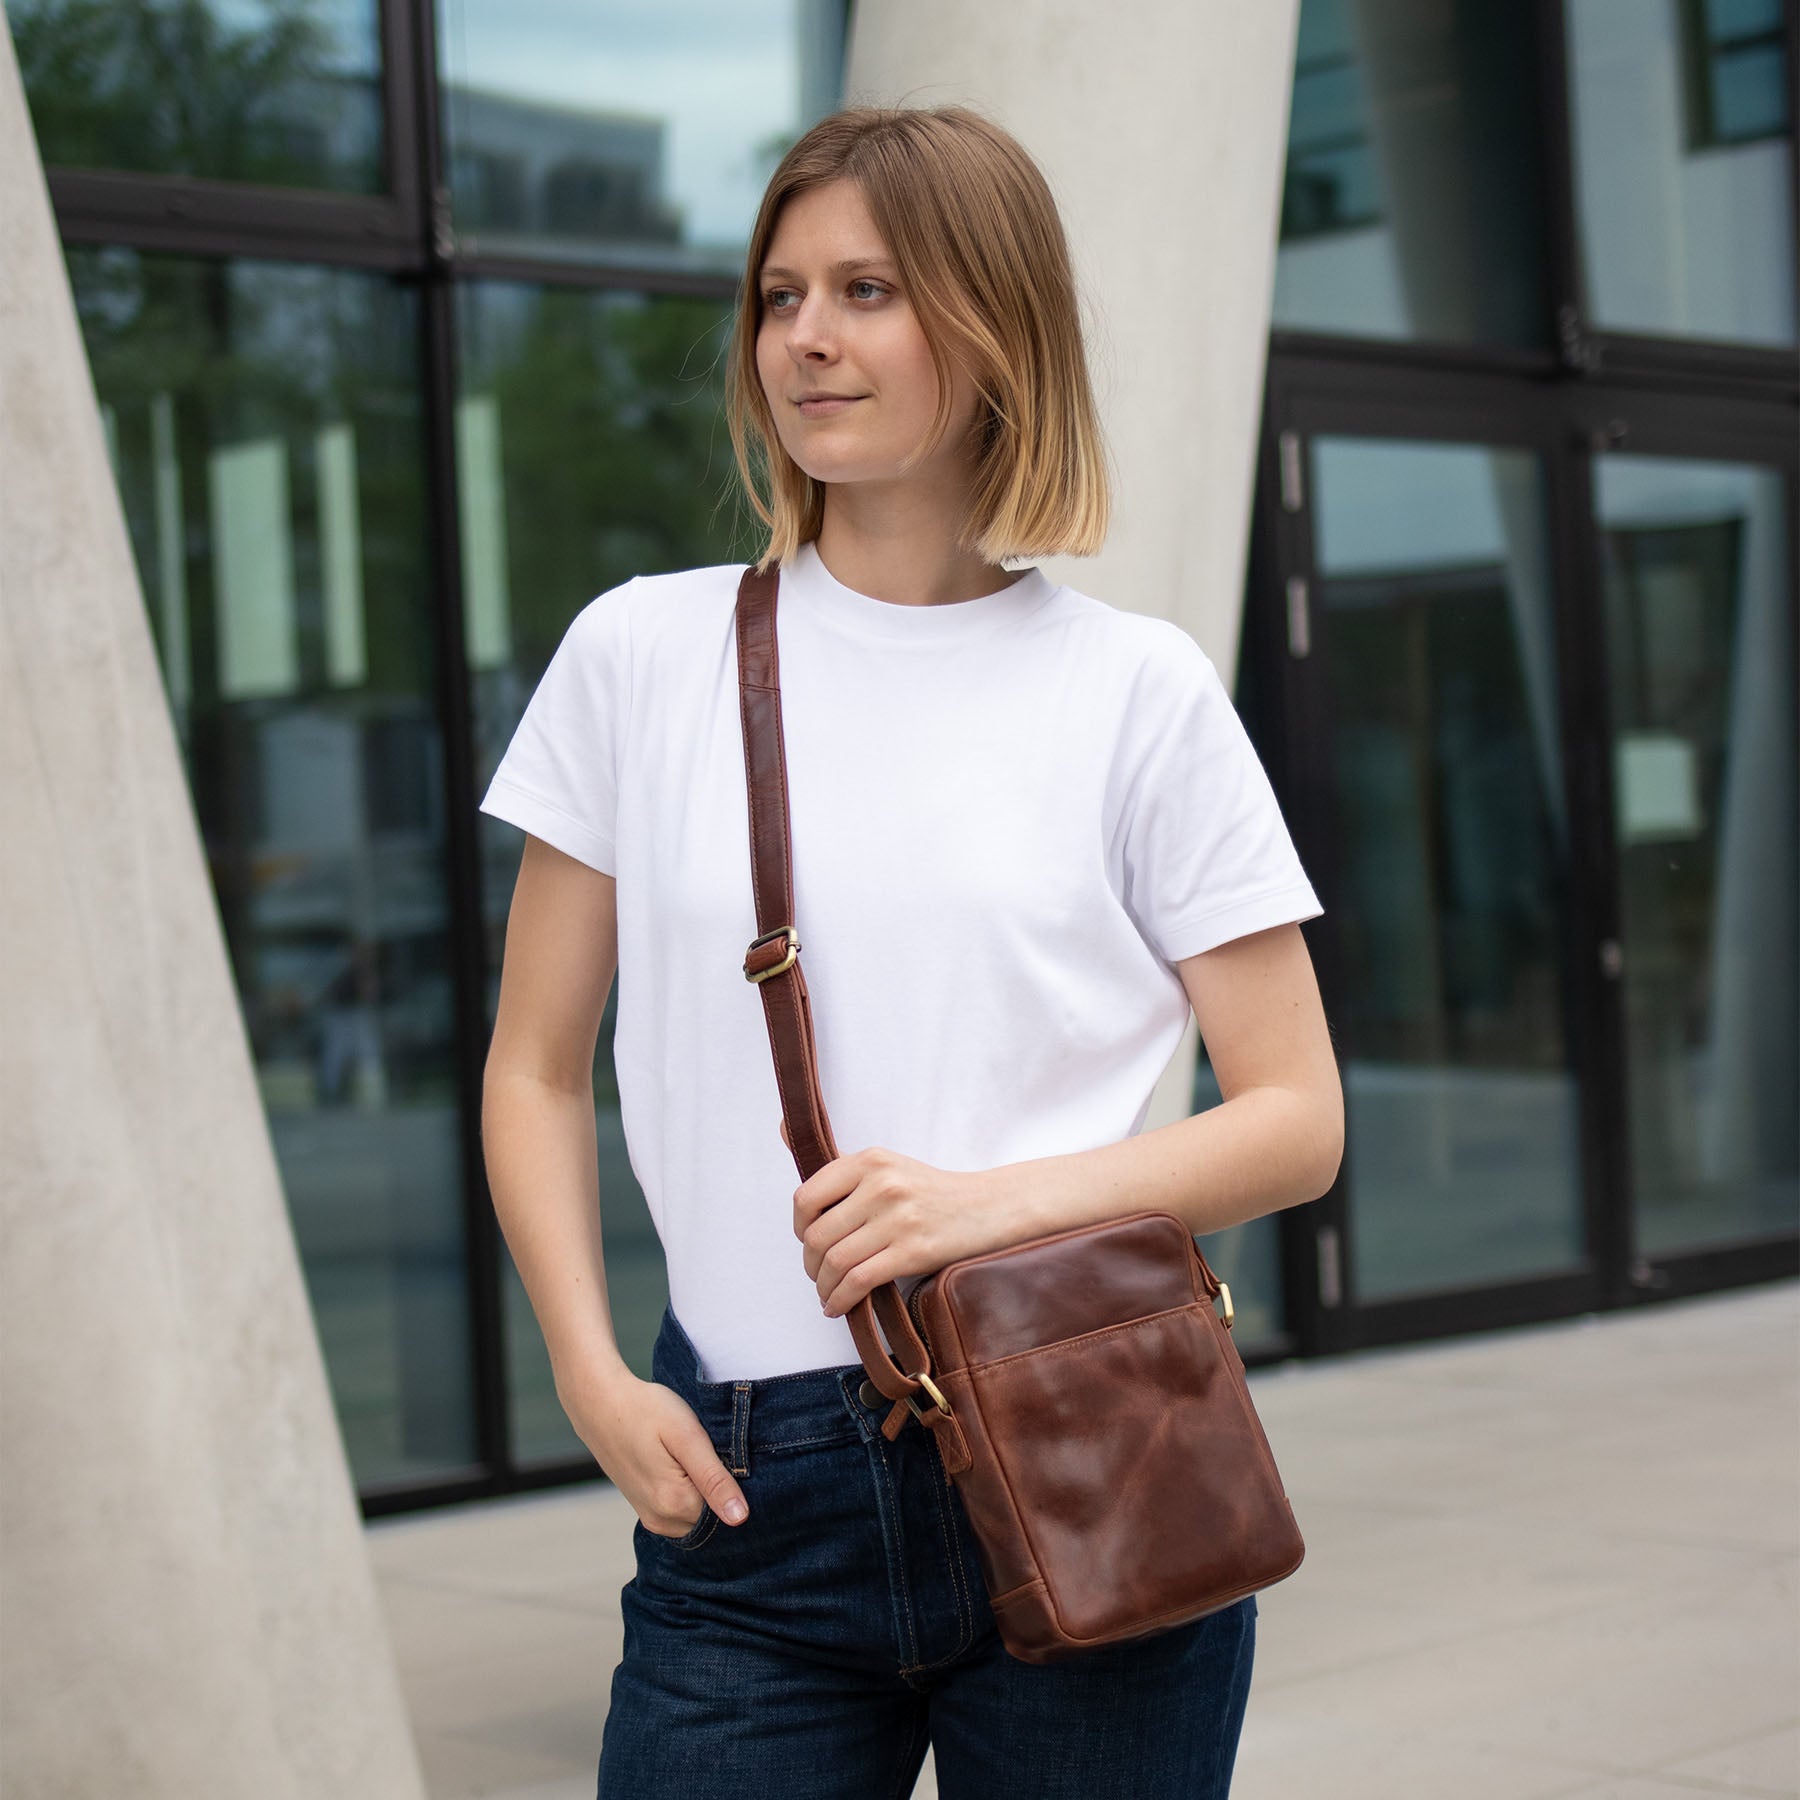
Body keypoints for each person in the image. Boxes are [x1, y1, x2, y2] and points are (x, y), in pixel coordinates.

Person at [478, 102, 1343, 1800]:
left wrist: (977, 1209)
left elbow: (1296, 1117)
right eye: (779, 293)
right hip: (744, 1497)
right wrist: (585, 1370)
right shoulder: (639, 657)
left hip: (1088, 1443)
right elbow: (529, 1063)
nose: (807, 334)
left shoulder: (1134, 689)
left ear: (990, 320)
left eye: (867, 289)